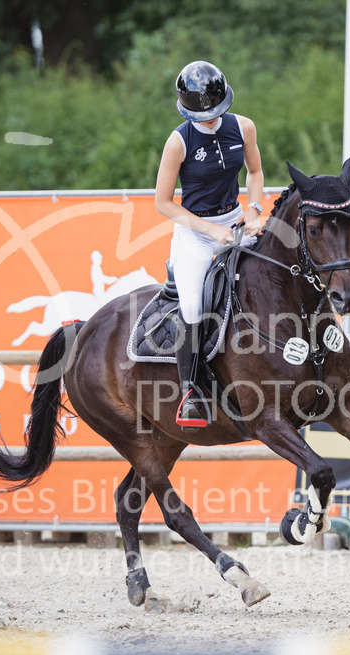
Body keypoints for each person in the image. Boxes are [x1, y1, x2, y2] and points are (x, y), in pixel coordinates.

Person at [155, 60, 265, 430]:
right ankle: (191, 392)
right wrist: (209, 230)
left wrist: (253, 209)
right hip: (195, 231)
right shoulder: (178, 142)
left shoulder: (243, 127)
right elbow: (163, 203)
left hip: (235, 222)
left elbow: (254, 172)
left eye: (216, 112)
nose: (210, 120)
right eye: (202, 116)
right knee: (192, 305)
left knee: (279, 270)